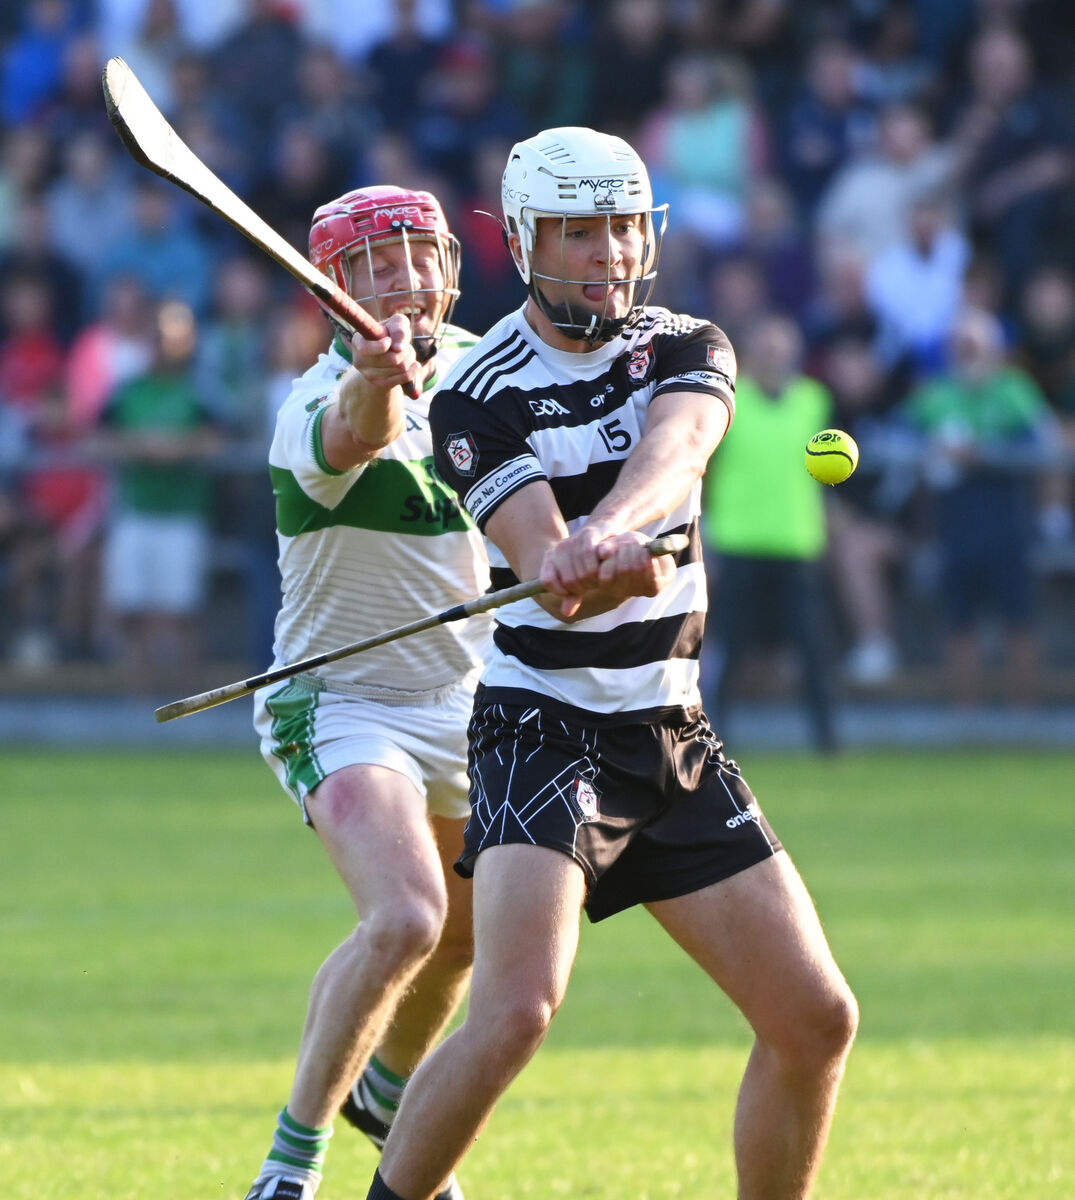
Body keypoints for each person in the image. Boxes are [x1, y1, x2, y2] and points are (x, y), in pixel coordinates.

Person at [364, 126, 858, 1200]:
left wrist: (620, 527)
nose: (609, 253)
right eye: (580, 232)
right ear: (528, 241)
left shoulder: (689, 342)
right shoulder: (475, 393)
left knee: (815, 1018)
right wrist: (575, 559)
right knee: (514, 1008)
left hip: (670, 730)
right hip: (543, 727)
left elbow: (675, 453)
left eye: (624, 227)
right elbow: (545, 563)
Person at [243, 185, 490, 1200]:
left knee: (471, 939)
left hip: (472, 704)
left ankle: (383, 1095)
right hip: (342, 700)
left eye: (418, 255)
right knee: (405, 920)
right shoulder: (312, 399)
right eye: (376, 264)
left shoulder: (490, 371)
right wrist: (379, 379)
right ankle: (287, 1170)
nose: (405, 279)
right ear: (331, 288)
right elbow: (354, 432)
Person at [703, 312, 839, 752]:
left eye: (781, 351)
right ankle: (715, 738)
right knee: (732, 650)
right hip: (740, 541)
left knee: (812, 651)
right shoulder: (729, 400)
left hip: (797, 544)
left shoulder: (814, 401)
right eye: (765, 350)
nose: (773, 358)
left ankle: (827, 742)